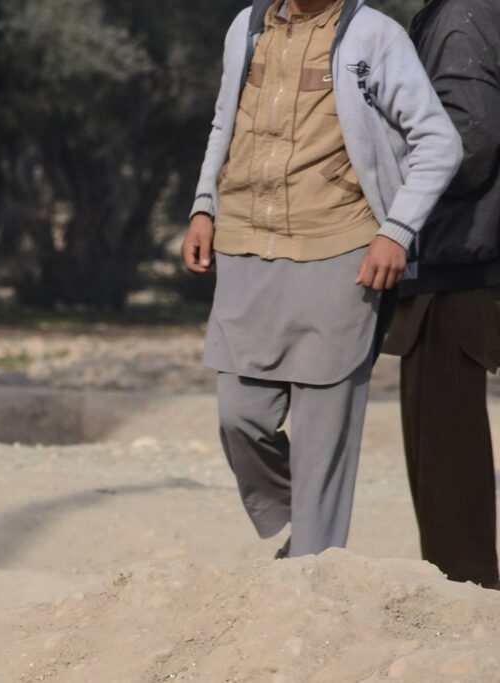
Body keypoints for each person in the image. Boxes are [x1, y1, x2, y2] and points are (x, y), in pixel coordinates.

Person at [182, 0, 461, 558]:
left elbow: (439, 141)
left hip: (341, 249)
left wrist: (396, 231)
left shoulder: (373, 35)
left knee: (323, 435)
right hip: (245, 243)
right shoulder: (248, 25)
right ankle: (303, 518)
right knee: (240, 417)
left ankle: (311, 569)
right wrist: (203, 206)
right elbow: (223, 120)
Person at [381, 0, 500, 589]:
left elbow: (468, 141)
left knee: (443, 431)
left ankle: (466, 587)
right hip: (471, 255)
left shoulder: (459, 18)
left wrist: (392, 195)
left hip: (461, 261)